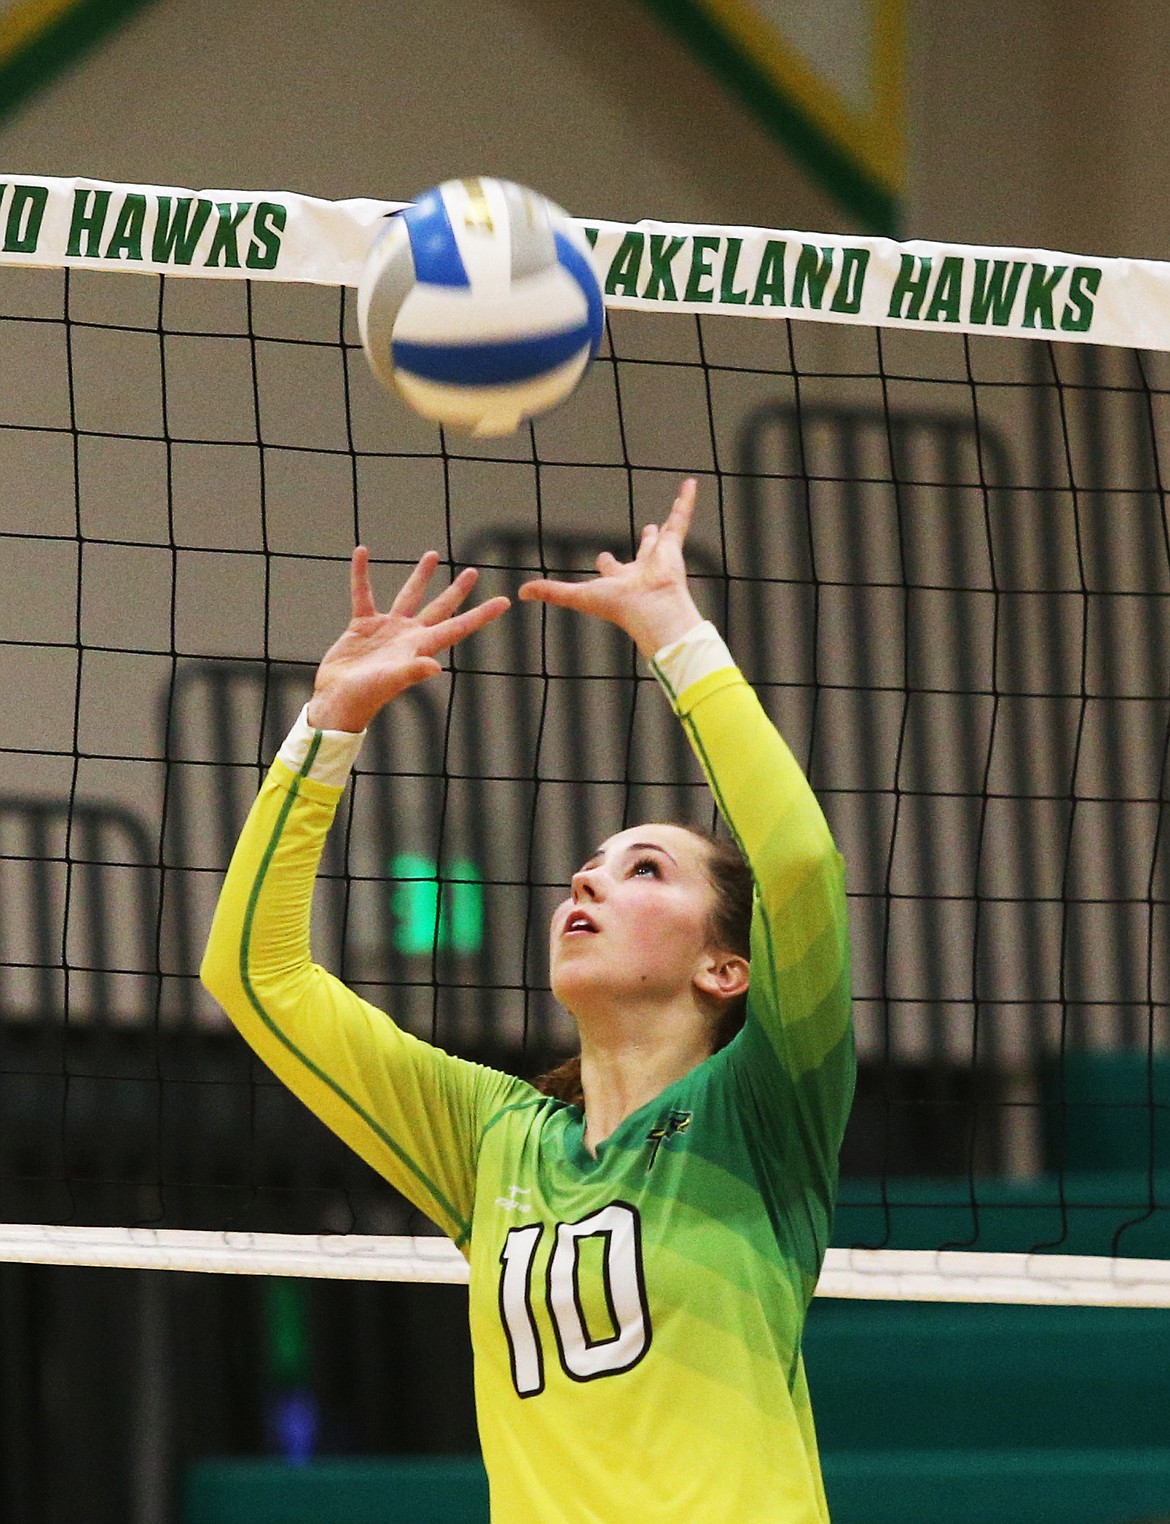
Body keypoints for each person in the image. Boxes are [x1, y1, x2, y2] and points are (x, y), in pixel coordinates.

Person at [201, 479, 855, 1522]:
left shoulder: (766, 1109)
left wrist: (675, 632)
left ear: (725, 969)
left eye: (644, 870)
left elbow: (800, 865)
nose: (586, 882)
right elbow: (255, 976)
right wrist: (328, 727)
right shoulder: (493, 1140)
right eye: (588, 867)